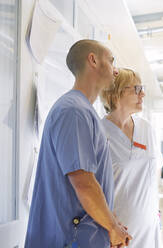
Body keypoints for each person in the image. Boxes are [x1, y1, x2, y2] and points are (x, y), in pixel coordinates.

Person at [25, 40, 132, 248]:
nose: (116, 70)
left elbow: (94, 181)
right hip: (68, 239)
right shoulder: (74, 111)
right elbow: (84, 183)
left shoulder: (83, 111)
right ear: (93, 60)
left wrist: (111, 221)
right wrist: (112, 227)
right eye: (112, 61)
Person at [100, 68, 162, 248]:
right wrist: (110, 226)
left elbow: (152, 174)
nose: (142, 93)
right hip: (118, 231)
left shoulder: (147, 129)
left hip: (149, 226)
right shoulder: (99, 132)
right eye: (136, 89)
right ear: (116, 93)